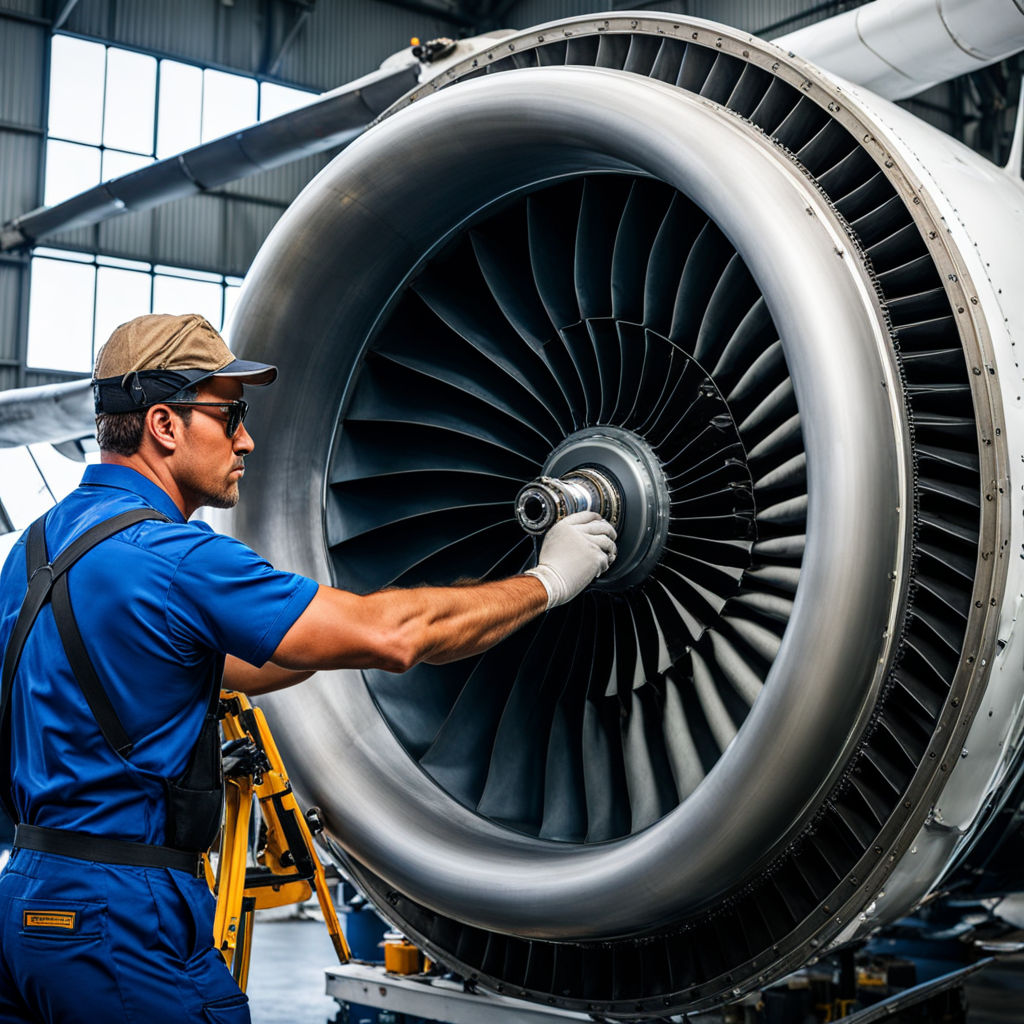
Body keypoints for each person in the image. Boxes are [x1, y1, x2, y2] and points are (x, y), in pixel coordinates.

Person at [0, 313, 616, 1024]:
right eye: (229, 414)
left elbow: (224, 666)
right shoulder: (176, 558)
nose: (246, 440)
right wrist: (548, 582)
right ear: (164, 425)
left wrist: (329, 637)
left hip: (30, 904)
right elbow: (398, 638)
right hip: (125, 918)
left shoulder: (36, 552)